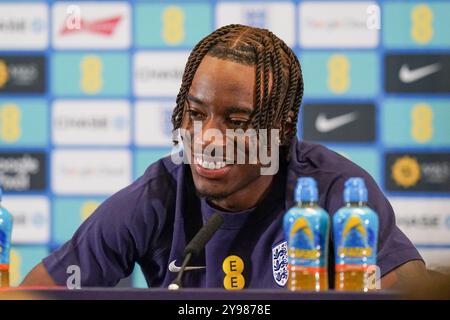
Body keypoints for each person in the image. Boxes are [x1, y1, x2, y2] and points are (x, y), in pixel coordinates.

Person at [21, 24, 426, 289]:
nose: (207, 137)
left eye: (236, 121)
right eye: (196, 114)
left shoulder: (332, 190)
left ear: (281, 129)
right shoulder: (158, 194)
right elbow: (37, 293)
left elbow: (413, 288)